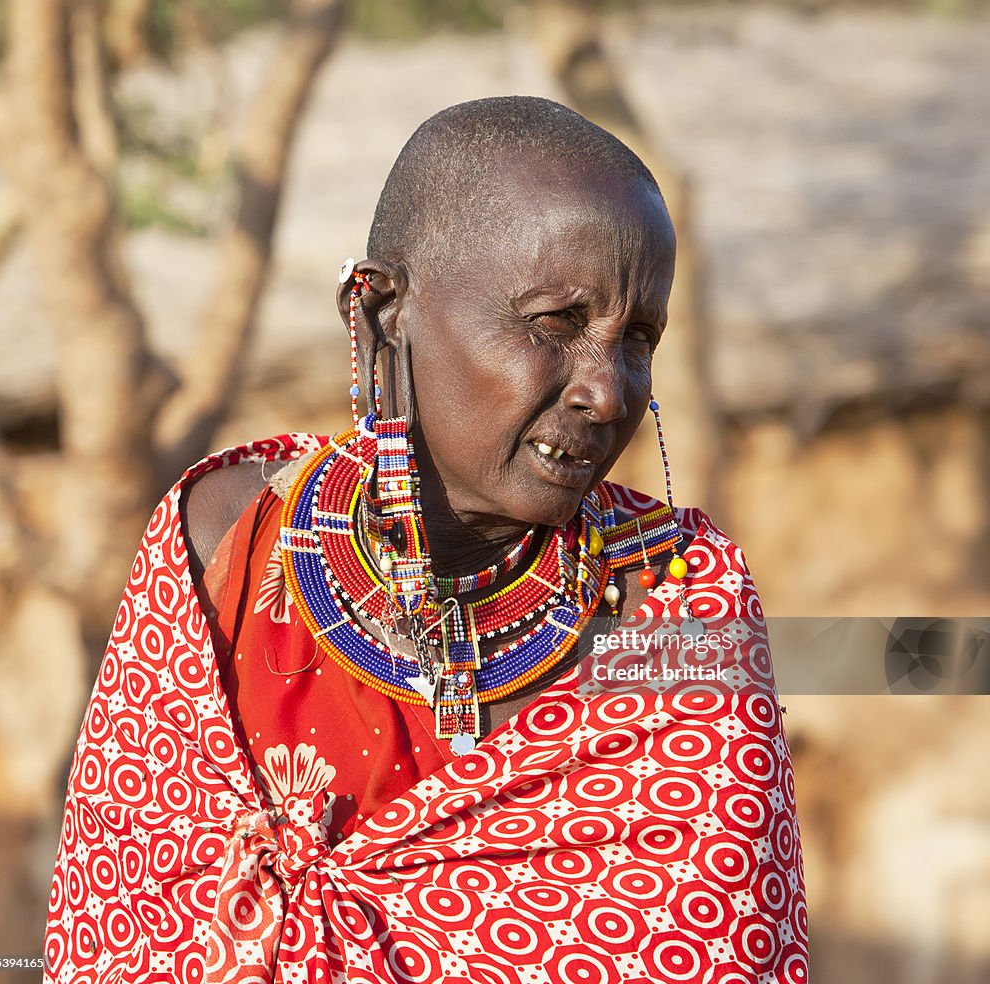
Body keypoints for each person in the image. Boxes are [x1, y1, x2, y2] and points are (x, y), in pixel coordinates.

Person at [44, 97, 807, 983]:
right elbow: (126, 925)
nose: (607, 391)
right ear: (380, 313)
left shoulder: (677, 600)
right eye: (555, 322)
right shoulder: (222, 548)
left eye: (638, 338)